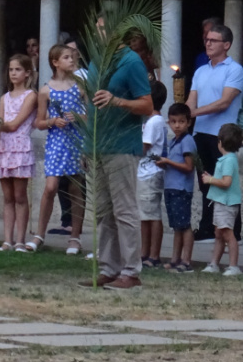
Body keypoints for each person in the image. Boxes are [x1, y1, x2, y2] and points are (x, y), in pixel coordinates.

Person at [79, 24, 152, 291]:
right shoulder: (98, 61)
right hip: (97, 145)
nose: (97, 33)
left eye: (102, 28)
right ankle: (109, 268)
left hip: (122, 145)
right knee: (102, 211)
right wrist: (87, 144)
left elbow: (147, 104)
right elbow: (90, 104)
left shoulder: (132, 61)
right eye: (96, 28)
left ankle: (131, 270)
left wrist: (117, 100)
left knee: (124, 210)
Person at [27, 45, 85, 255]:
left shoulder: (81, 86)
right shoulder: (45, 90)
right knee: (51, 186)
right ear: (55, 62)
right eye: (67, 57)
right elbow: (39, 122)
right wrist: (53, 120)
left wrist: (78, 117)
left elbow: (91, 116)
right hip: (56, 142)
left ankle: (75, 237)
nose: (72, 60)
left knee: (76, 188)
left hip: (76, 140)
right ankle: (39, 234)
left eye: (73, 57)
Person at [187, 23, 243, 243]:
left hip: (223, 134)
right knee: (205, 182)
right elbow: (193, 96)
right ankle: (208, 227)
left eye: (213, 40)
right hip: (201, 131)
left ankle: (233, 230)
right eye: (206, 39)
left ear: (226, 45)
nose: (208, 43)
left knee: (225, 182)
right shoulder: (201, 70)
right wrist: (187, 111)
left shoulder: (234, 69)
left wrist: (194, 111)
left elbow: (225, 101)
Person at [0, 54, 37, 252]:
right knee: (7, 197)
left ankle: (20, 240)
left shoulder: (30, 96)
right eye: (11, 70)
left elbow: (16, 123)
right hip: (4, 147)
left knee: (20, 196)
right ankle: (7, 240)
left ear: (27, 73)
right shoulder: (4, 98)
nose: (14, 73)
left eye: (18, 70)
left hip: (20, 146)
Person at [157, 103, 197, 273]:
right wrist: (163, 163)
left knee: (185, 225)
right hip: (171, 187)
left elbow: (188, 166)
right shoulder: (174, 141)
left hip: (181, 189)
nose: (177, 125)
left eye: (181, 121)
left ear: (188, 122)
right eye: (173, 122)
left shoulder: (188, 141)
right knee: (176, 226)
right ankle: (175, 259)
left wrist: (168, 162)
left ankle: (186, 261)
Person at [201, 123, 243, 276]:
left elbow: (226, 182)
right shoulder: (227, 159)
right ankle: (214, 263)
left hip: (226, 203)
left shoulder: (228, 160)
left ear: (220, 143)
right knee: (218, 233)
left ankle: (233, 266)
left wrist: (210, 180)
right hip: (221, 202)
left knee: (228, 234)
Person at [137, 81, 168, 269]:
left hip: (149, 174)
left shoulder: (154, 122)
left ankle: (154, 254)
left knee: (152, 215)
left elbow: (143, 147)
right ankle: (144, 252)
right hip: (145, 174)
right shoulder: (153, 121)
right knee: (144, 215)